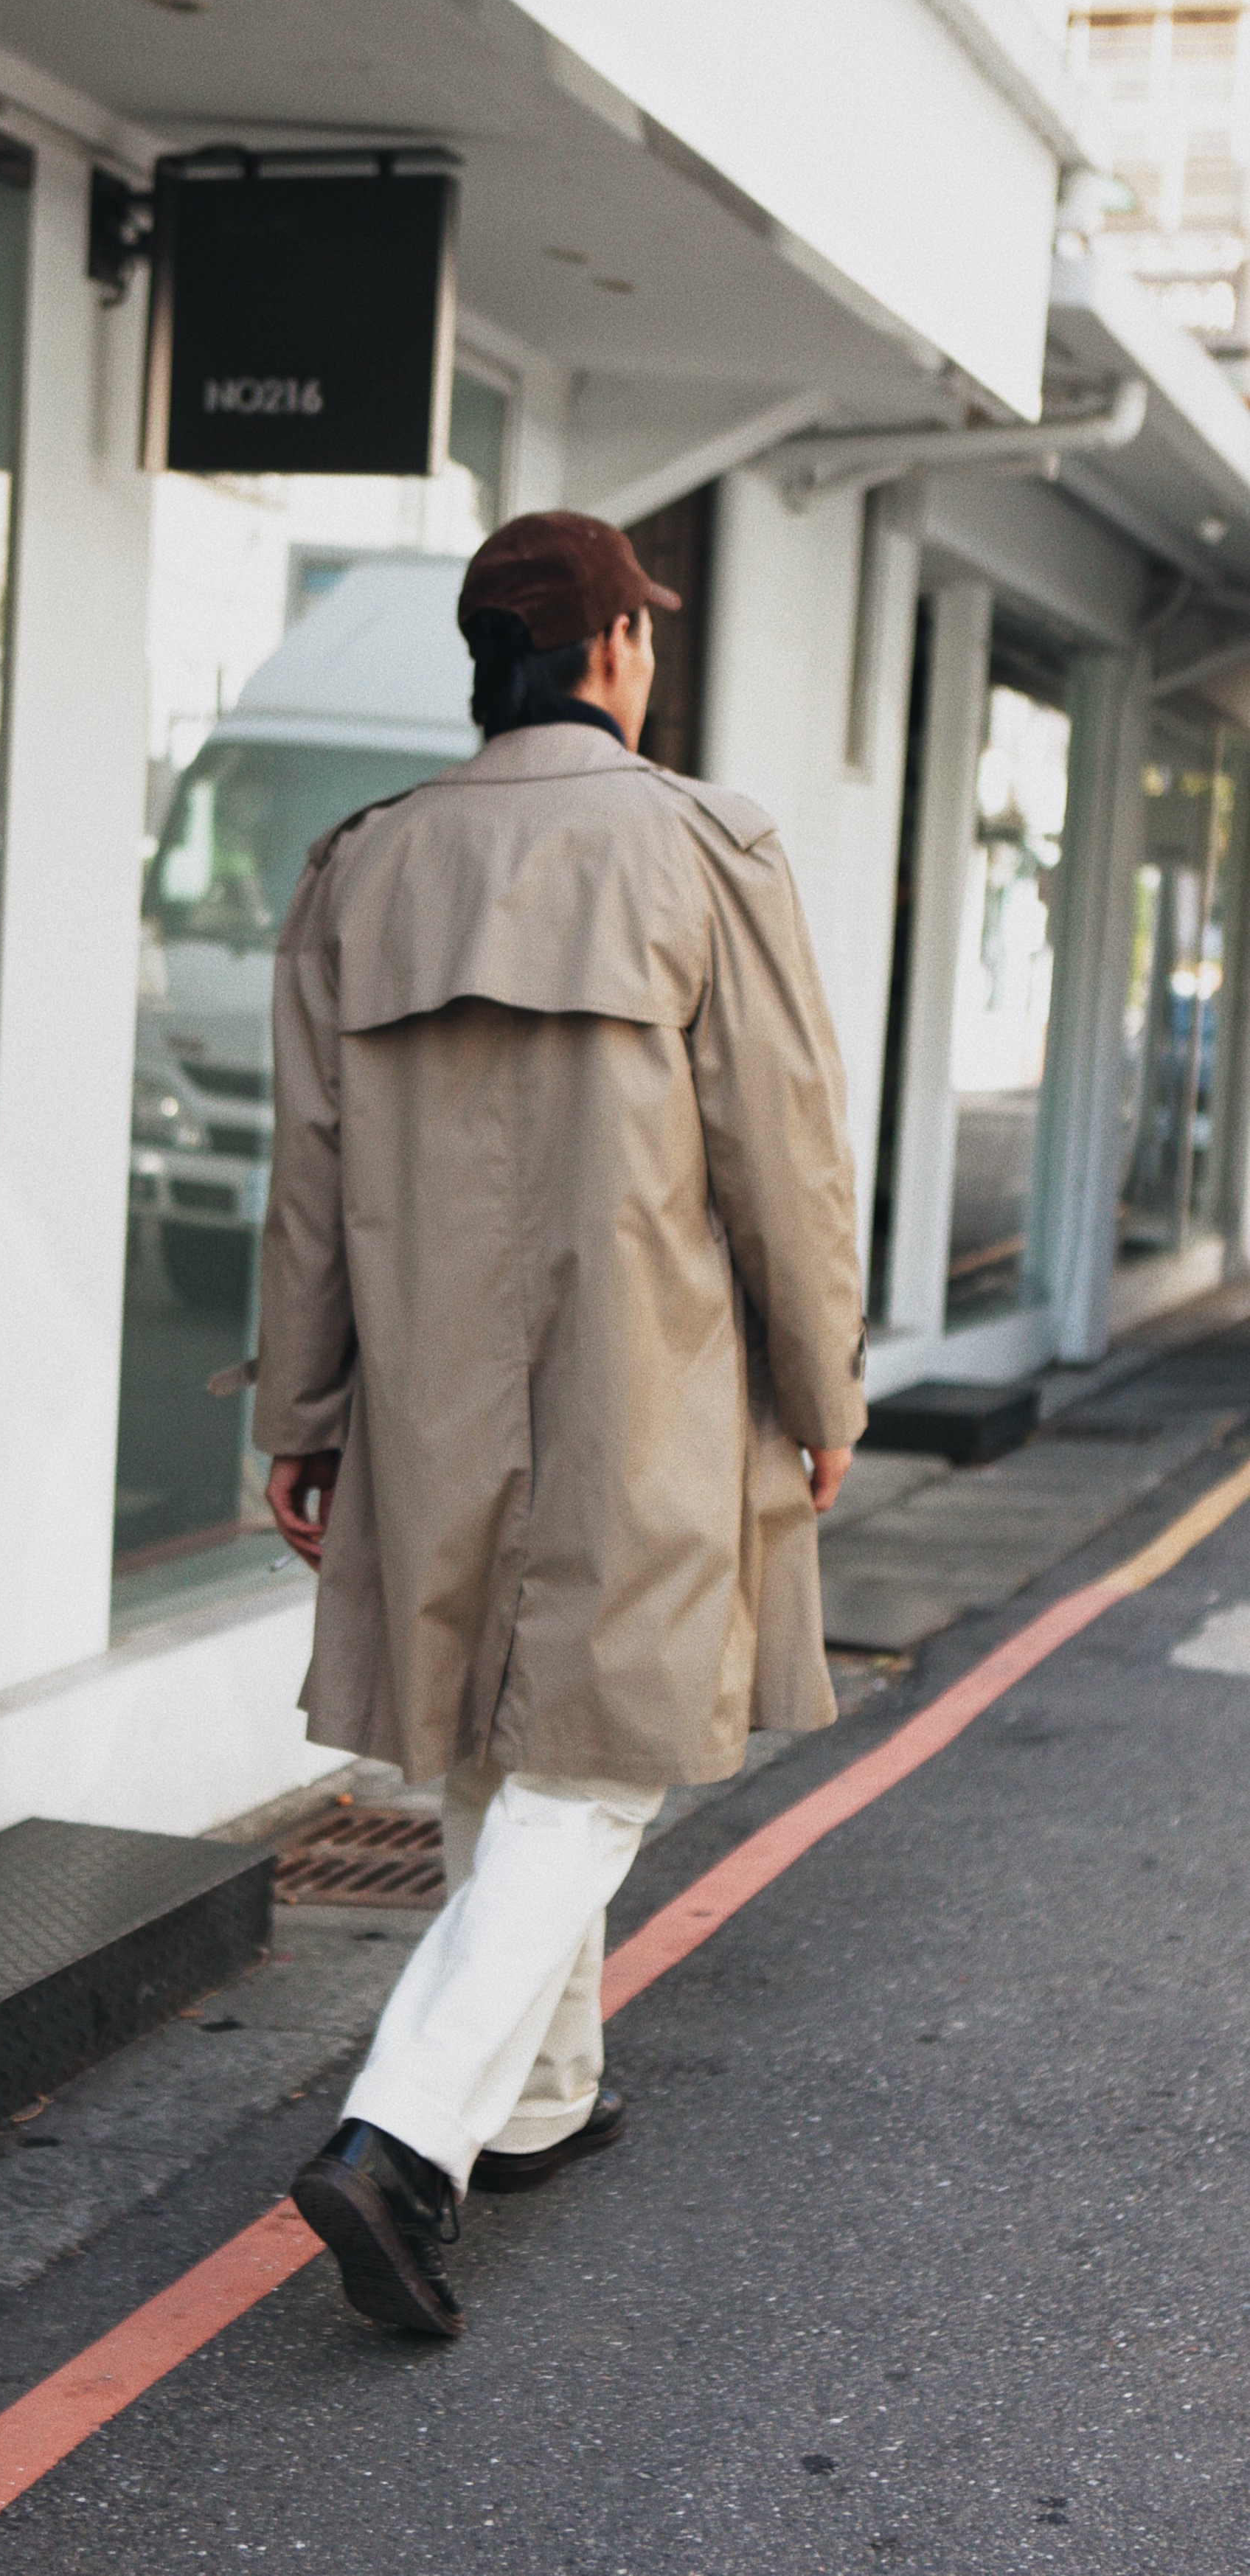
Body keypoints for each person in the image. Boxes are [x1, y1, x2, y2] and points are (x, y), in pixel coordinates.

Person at [253, 510, 867, 2339]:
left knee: (491, 1716)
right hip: (645, 1374)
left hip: (424, 1377)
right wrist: (820, 1382)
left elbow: (308, 1172)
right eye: (642, 628)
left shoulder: (361, 864)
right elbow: (782, 1153)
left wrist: (300, 1407)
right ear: (610, 645)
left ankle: (533, 2098)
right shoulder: (701, 846)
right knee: (598, 1757)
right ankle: (401, 2137)